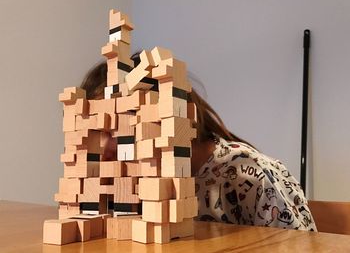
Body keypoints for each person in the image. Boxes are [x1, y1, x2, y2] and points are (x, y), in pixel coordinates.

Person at [80, 55, 317, 231]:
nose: (101, 148)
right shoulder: (124, 182)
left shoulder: (251, 175)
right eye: (91, 133)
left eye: (115, 130)